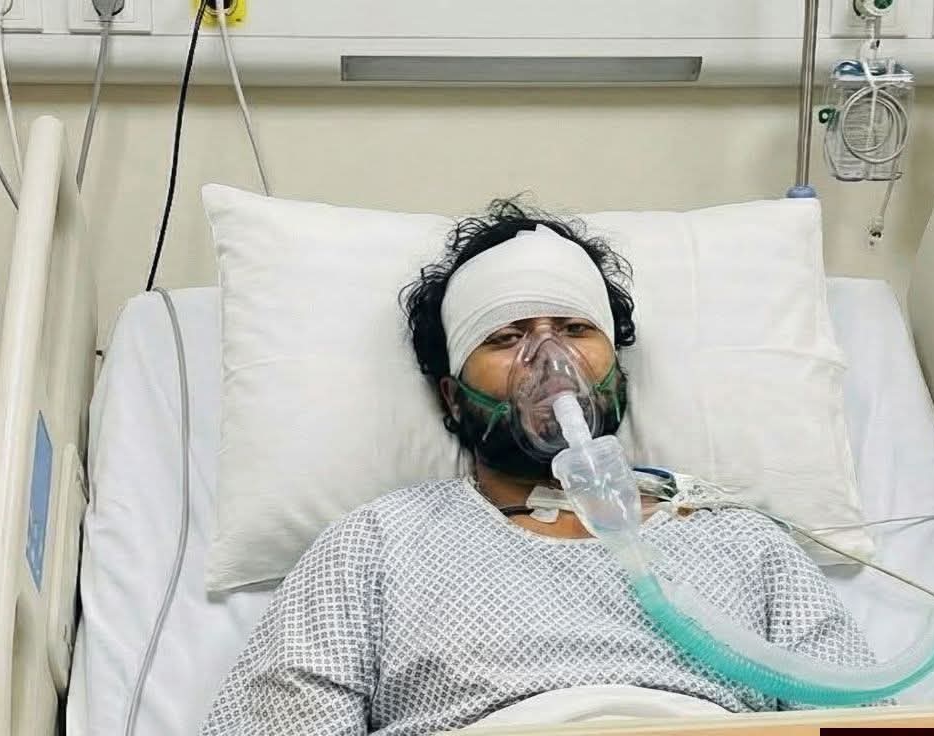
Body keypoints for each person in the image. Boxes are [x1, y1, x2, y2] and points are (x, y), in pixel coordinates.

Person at [201, 201, 877, 736]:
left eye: (575, 330)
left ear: (617, 371)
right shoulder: (377, 546)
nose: (551, 362)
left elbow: (865, 719)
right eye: (506, 337)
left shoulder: (741, 540)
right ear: (451, 397)